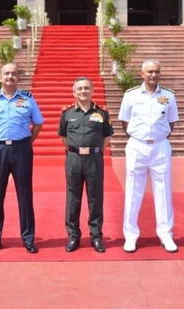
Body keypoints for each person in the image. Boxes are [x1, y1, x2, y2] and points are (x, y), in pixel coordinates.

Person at [0, 62, 44, 254]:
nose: (10, 77)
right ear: (0, 77)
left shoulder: (28, 99)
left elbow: (38, 124)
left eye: (14, 74)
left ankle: (28, 238)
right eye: (6, 73)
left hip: (21, 149)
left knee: (25, 195)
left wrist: (25, 141)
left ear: (18, 78)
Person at [118, 59, 180, 253]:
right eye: (150, 72)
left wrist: (157, 136)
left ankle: (165, 234)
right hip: (137, 145)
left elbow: (171, 123)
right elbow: (125, 123)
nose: (154, 75)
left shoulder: (169, 96)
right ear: (142, 74)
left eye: (157, 72)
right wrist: (140, 136)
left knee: (163, 192)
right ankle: (130, 235)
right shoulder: (131, 95)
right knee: (133, 191)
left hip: (160, 147)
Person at [58, 77, 114, 253]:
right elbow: (63, 136)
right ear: (74, 92)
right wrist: (74, 150)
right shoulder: (67, 113)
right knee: (73, 198)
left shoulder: (102, 113)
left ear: (92, 91)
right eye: (80, 89)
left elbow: (106, 137)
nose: (83, 91)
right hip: (74, 158)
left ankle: (96, 236)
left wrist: (97, 151)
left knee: (95, 198)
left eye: (86, 88)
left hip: (94, 159)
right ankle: (73, 236)